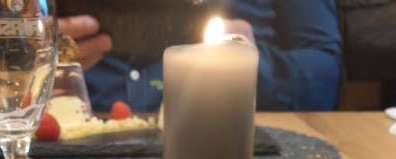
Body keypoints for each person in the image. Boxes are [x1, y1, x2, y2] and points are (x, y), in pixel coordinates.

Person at [58, 1, 343, 113]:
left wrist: (249, 66)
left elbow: (325, 74)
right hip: (66, 148)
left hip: (236, 144)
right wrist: (35, 54)